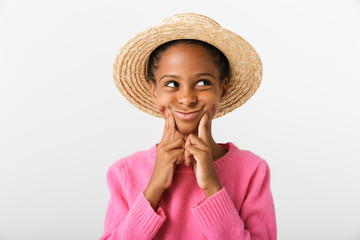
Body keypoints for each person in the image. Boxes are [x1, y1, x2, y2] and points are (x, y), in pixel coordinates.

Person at [100, 13, 277, 240]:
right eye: (172, 84)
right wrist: (153, 189)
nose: (186, 98)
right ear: (154, 91)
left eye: (203, 83)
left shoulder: (252, 171)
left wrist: (212, 187)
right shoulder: (125, 173)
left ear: (222, 90)